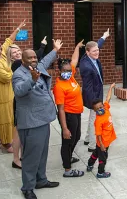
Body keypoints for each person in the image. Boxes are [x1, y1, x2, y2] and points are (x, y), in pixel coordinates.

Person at [12, 39, 63, 199]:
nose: (34, 60)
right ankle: (27, 188)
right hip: (31, 122)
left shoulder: (38, 66)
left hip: (44, 119)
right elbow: (19, 91)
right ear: (23, 60)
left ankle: (41, 180)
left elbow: (46, 60)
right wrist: (32, 80)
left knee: (42, 153)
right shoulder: (19, 74)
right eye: (30, 58)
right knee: (31, 156)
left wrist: (55, 50)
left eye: (35, 57)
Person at [0, 20, 26, 155]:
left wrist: (18, 28)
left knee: (10, 115)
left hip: (7, 88)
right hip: (0, 89)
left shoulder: (1, 52)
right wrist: (17, 71)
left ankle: (6, 138)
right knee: (4, 117)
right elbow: (6, 77)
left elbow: (9, 40)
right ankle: (5, 143)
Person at [5, 36, 47, 169]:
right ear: (10, 57)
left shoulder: (24, 62)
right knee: (18, 132)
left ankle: (23, 156)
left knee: (23, 133)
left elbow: (37, 57)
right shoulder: (17, 65)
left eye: (18, 50)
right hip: (21, 102)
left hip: (28, 100)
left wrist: (42, 45)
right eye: (14, 53)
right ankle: (16, 159)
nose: (17, 53)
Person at [53, 40, 85, 178]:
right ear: (59, 71)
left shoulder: (71, 77)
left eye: (68, 70)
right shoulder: (59, 86)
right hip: (68, 115)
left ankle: (69, 157)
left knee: (76, 137)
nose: (67, 72)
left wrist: (77, 47)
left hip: (76, 113)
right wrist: (64, 128)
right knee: (68, 140)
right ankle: (67, 169)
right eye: (64, 71)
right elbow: (60, 109)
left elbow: (74, 60)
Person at [80, 29, 110, 153]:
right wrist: (95, 104)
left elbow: (97, 45)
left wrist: (104, 37)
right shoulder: (86, 66)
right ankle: (93, 145)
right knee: (95, 120)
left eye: (97, 50)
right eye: (94, 51)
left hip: (97, 93)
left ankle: (87, 138)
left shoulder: (91, 56)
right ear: (87, 52)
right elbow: (87, 87)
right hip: (94, 97)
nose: (97, 52)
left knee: (92, 118)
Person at [86, 83, 117, 178]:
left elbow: (108, 98)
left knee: (96, 152)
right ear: (94, 111)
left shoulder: (106, 109)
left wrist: (111, 87)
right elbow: (98, 135)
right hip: (103, 142)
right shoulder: (98, 121)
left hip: (106, 141)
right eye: (97, 109)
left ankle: (90, 164)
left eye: (101, 107)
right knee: (103, 157)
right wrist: (102, 145)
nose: (100, 109)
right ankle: (100, 172)